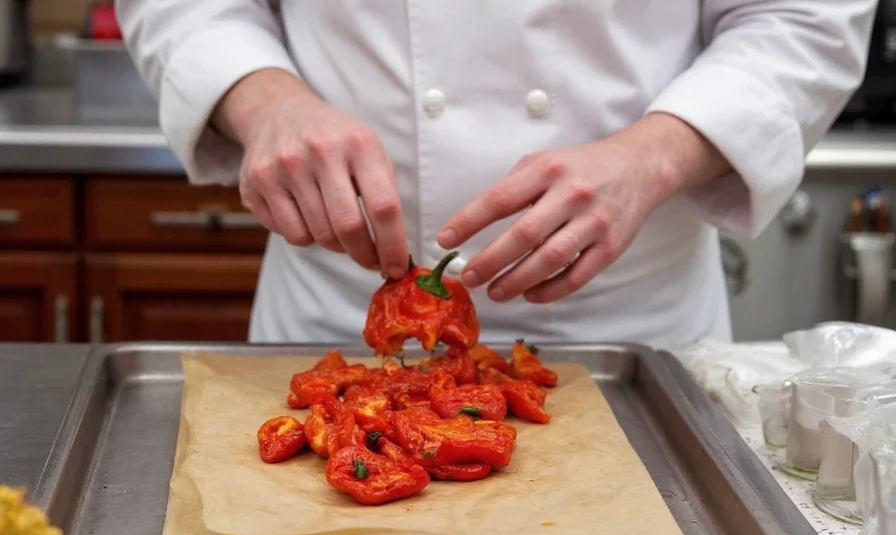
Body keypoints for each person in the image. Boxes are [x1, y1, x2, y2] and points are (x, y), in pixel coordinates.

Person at [116, 1, 875, 348]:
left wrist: (653, 155)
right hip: (334, 320)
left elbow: (806, 19)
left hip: (629, 331)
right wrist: (265, 100)